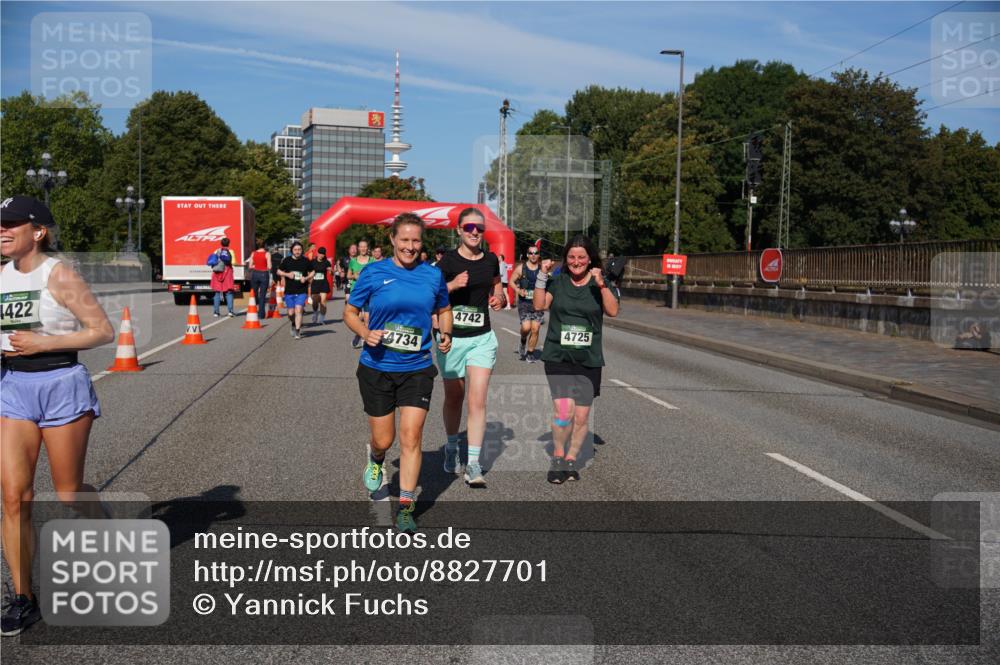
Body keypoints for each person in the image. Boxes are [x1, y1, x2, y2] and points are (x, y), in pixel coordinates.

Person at [1, 196, 116, 635]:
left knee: (68, 492)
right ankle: (22, 597)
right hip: (13, 388)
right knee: (14, 498)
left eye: (11, 223)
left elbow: (102, 330)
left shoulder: (60, 274)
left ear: (38, 231)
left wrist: (42, 343)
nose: (2, 230)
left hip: (60, 384)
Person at [344, 213, 452, 532]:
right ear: (392, 239)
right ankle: (376, 459)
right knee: (384, 439)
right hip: (377, 366)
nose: (410, 246)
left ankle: (406, 506)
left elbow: (443, 309)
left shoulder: (432, 276)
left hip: (417, 368)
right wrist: (365, 332)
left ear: (422, 243)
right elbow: (349, 312)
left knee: (411, 436)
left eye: (416, 240)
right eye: (404, 239)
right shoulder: (374, 272)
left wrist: (445, 333)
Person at [532, 235, 619, 484]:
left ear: (590, 259)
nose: (576, 261)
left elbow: (613, 311)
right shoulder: (558, 283)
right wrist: (541, 276)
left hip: (588, 358)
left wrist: (602, 285)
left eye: (581, 257)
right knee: (563, 411)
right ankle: (558, 457)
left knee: (581, 416)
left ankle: (571, 459)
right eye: (571, 257)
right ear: (566, 259)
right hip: (558, 355)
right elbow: (539, 305)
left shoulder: (598, 283)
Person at [436, 209, 505, 487]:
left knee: (477, 400)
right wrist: (452, 284)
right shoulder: (446, 263)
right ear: (459, 230)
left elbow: (497, 286)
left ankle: (473, 463)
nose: (475, 232)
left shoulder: (490, 261)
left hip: (482, 338)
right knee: (455, 397)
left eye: (479, 228)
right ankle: (452, 446)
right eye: (469, 227)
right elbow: (432, 296)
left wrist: (498, 297)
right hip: (452, 338)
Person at [510, 246, 546, 362]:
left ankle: (530, 353)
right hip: (524, 303)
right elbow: (511, 281)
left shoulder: (543, 269)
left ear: (539, 255)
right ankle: (523, 340)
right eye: (531, 253)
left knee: (535, 329)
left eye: (536, 253)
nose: (533, 255)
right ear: (527, 255)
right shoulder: (521, 268)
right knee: (526, 328)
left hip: (538, 304)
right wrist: (518, 290)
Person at [277, 241, 313, 339]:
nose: (297, 252)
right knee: (291, 313)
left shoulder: (306, 261)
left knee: (299, 309)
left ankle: (297, 331)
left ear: (302, 251)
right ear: (292, 251)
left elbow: (313, 271)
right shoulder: (286, 260)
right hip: (289, 290)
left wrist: (306, 278)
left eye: (299, 250)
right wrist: (287, 274)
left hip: (302, 290)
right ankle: (293, 323)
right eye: (295, 250)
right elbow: (278, 271)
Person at [348, 239, 375, 348]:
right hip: (357, 292)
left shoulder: (372, 260)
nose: (363, 249)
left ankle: (365, 340)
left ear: (367, 248)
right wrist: (354, 275)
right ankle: (358, 334)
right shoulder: (353, 261)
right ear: (358, 248)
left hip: (369, 292)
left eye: (365, 247)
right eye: (361, 247)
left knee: (367, 318)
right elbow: (348, 276)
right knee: (358, 318)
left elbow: (376, 275)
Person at [209, 237, 236, 317]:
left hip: (217, 273)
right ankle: (230, 311)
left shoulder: (216, 251)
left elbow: (213, 261)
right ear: (229, 243)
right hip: (227, 273)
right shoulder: (230, 251)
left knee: (217, 292)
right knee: (229, 292)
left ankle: (216, 312)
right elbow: (233, 262)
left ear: (221, 243)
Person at [245, 237, 271, 314]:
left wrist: (255, 266)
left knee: (254, 293)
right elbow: (269, 266)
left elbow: (250, 266)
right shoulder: (267, 253)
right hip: (264, 274)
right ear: (264, 245)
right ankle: (261, 313)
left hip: (255, 273)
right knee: (262, 294)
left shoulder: (253, 253)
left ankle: (255, 308)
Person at [310, 247, 333, 325]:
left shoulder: (326, 262)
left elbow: (331, 272)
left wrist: (331, 271)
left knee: (323, 301)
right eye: (320, 253)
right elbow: (308, 271)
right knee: (315, 301)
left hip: (323, 283)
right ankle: (315, 313)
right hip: (315, 283)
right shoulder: (312, 262)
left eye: (323, 254)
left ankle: (321, 319)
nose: (321, 255)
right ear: (317, 253)